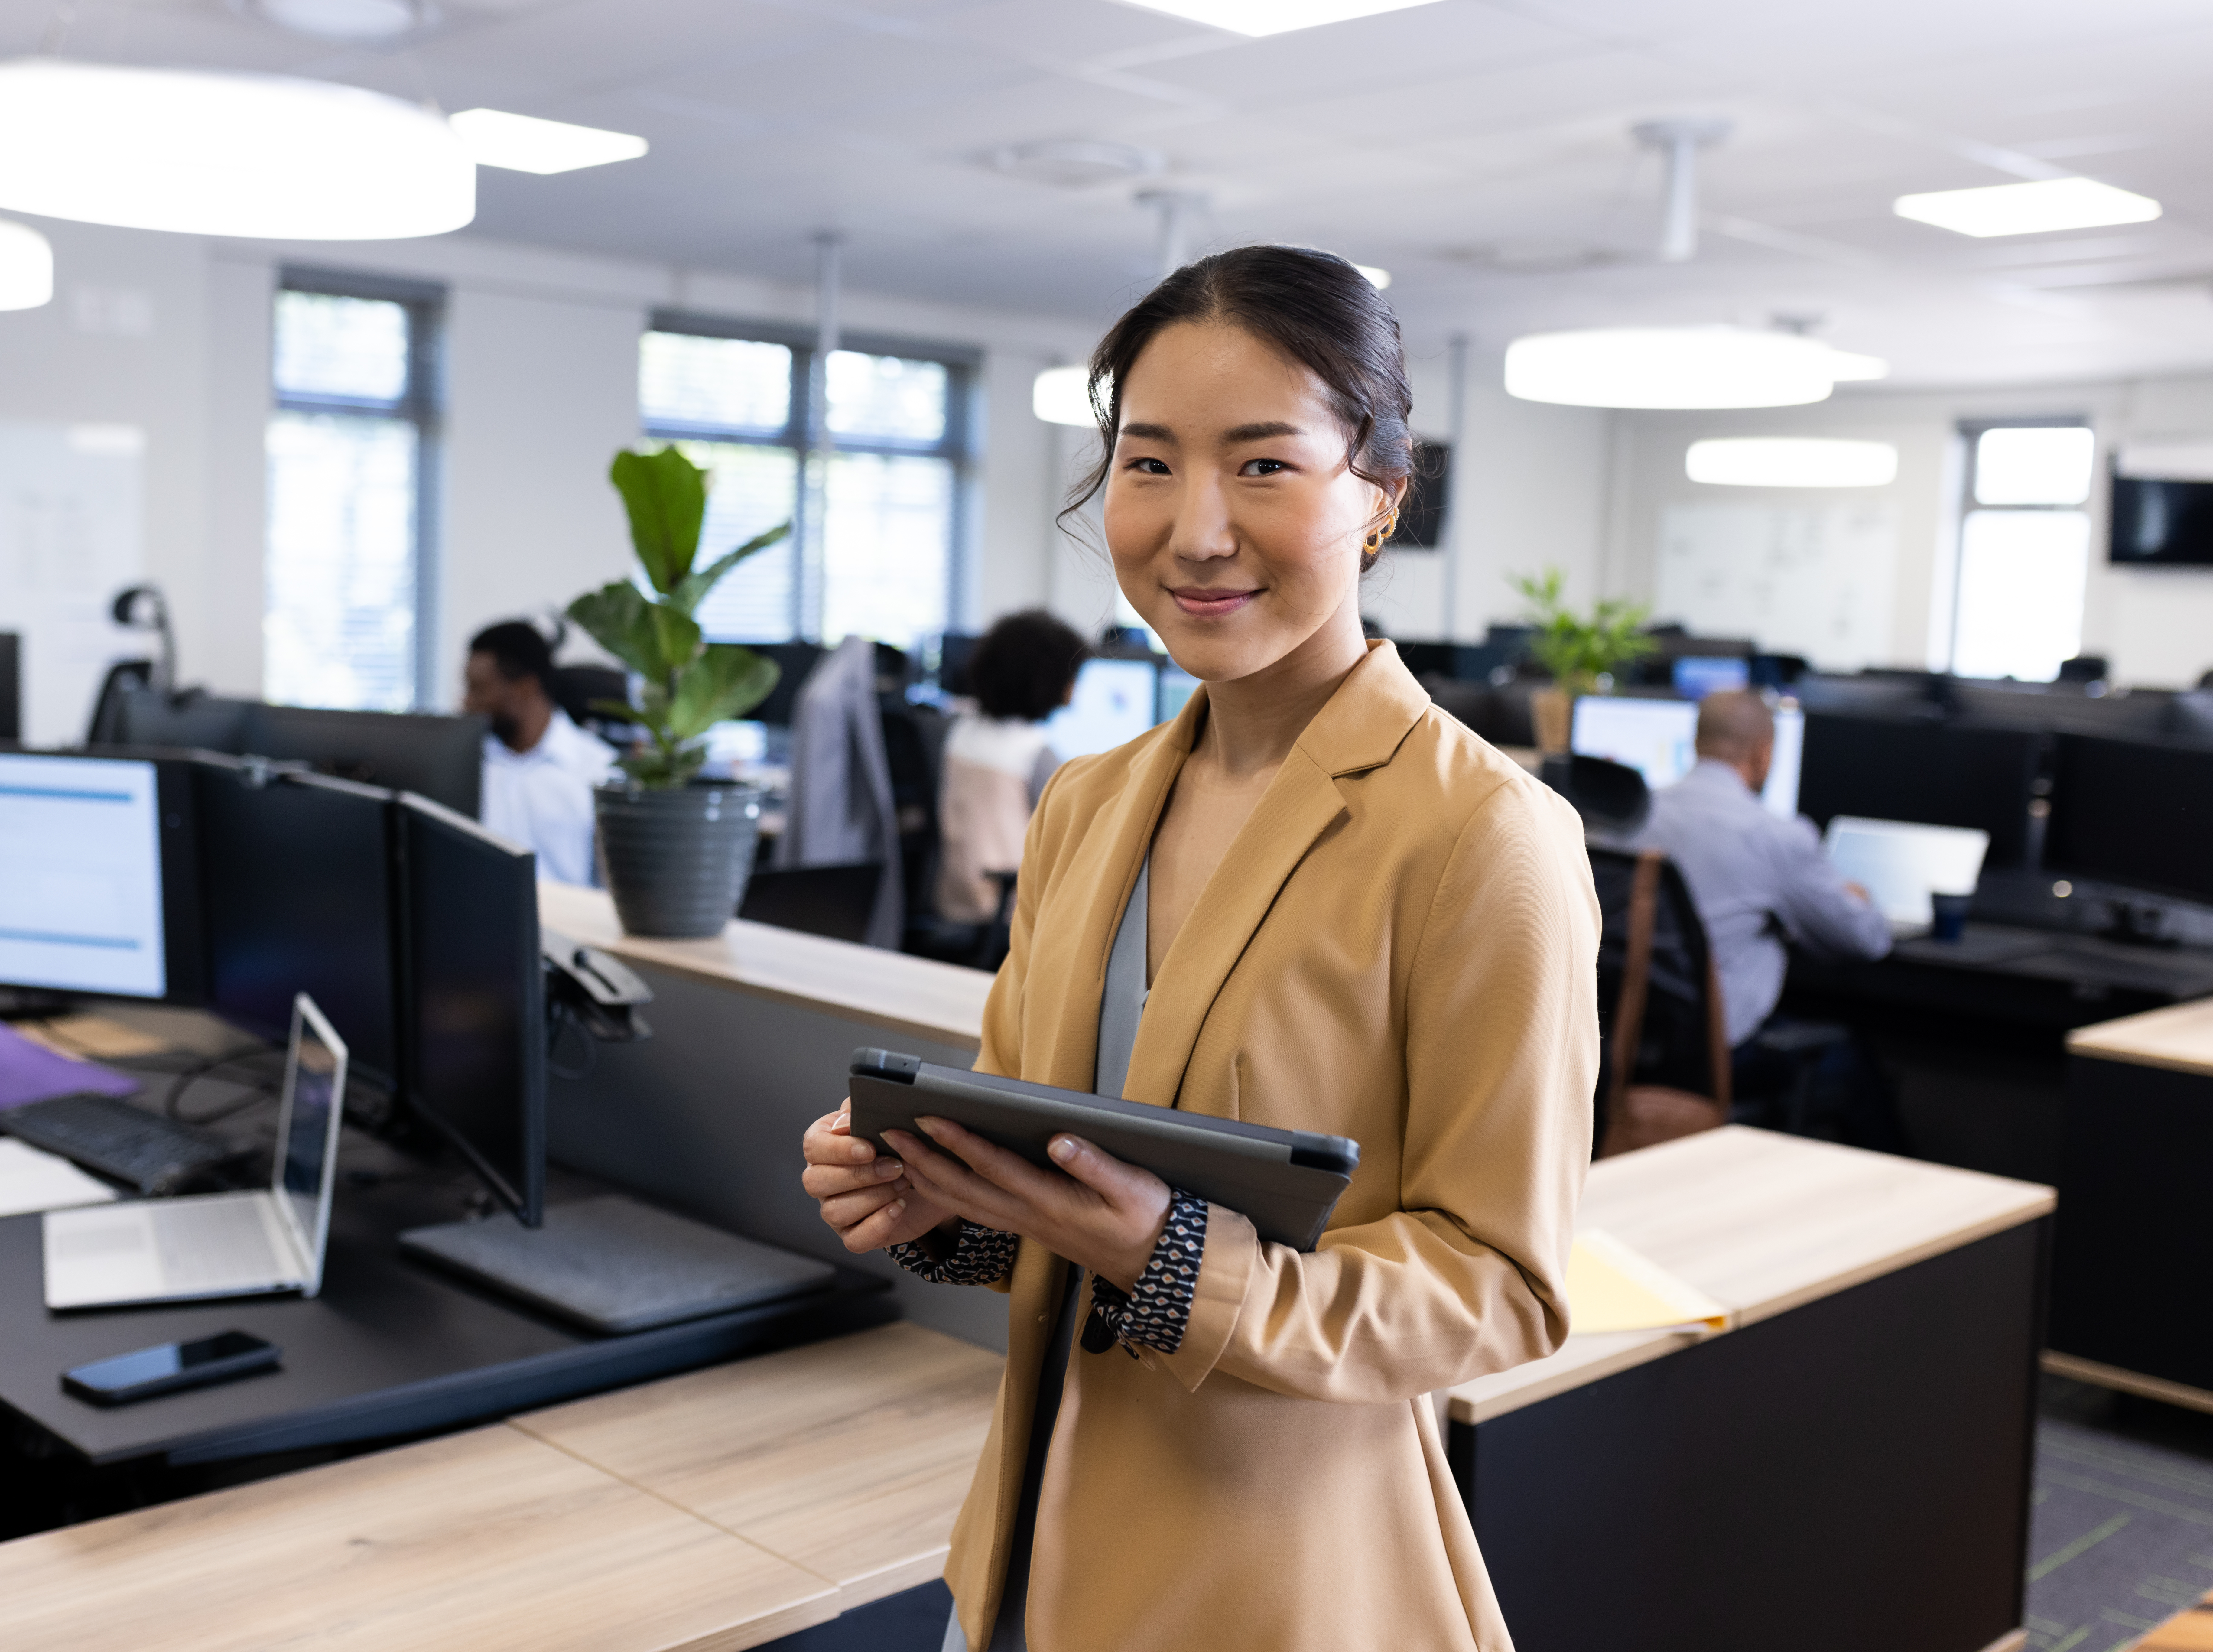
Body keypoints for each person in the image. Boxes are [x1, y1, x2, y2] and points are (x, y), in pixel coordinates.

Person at [799, 247, 1597, 1651]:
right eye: (1150, 465)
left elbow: (1502, 1288)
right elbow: (1050, 1167)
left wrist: (1176, 1259)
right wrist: (940, 1198)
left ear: (1379, 496)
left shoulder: (1480, 833)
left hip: (1274, 1583)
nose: (1196, 532)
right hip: (1025, 1555)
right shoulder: (1086, 803)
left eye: (1263, 465)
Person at [1630, 688, 1896, 1139]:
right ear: (1763, 753)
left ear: (1697, 743)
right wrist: (1859, 897)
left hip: (1629, 1044)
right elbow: (1865, 941)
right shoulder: (1775, 835)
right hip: (1720, 1057)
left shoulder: (1632, 817)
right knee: (1855, 1064)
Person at [934, 610, 1088, 925]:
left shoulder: (958, 733)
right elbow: (1076, 841)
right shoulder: (1035, 754)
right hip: (1013, 917)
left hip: (956, 901)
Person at [461, 619, 619, 887]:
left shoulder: (599, 771)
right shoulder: (464, 765)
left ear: (525, 688)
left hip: (565, 912)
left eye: (478, 690)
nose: (466, 703)